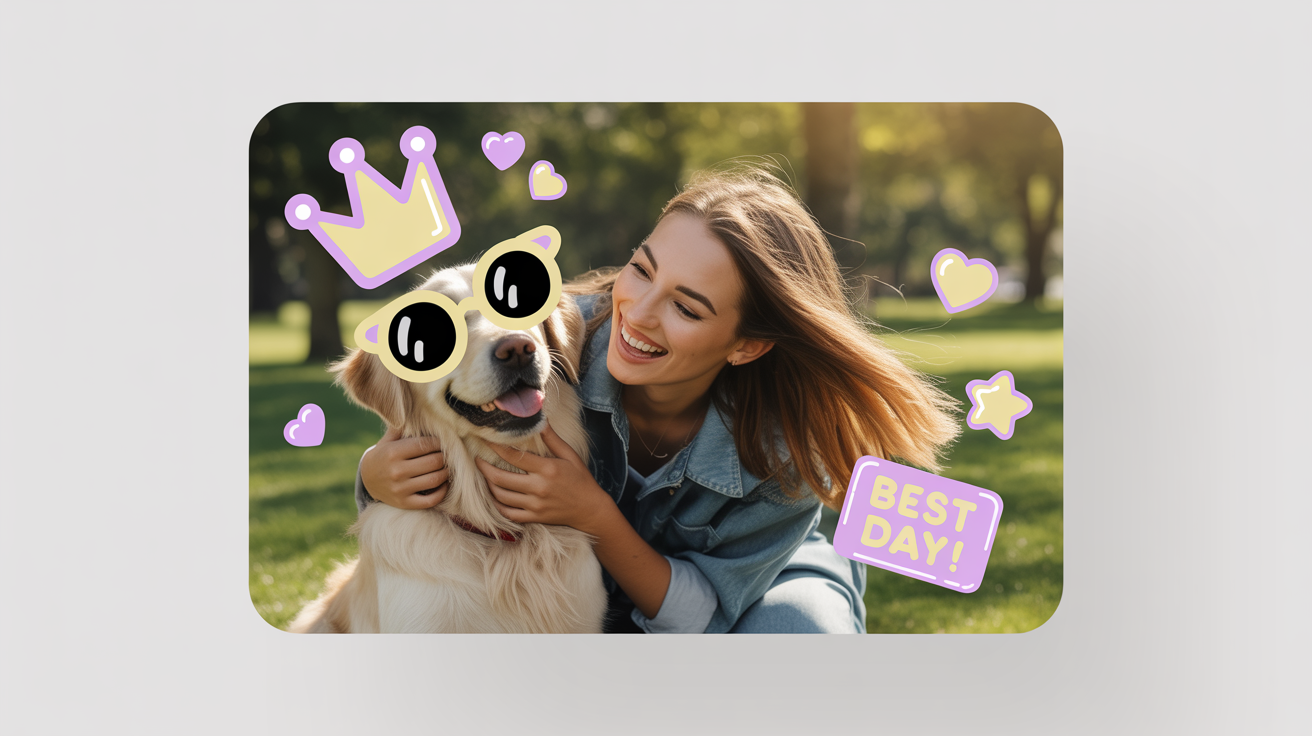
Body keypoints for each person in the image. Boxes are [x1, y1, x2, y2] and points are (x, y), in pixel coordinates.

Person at [357, 166, 959, 633]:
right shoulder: (564, 335)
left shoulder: (788, 456)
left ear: (747, 345)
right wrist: (373, 477)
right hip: (601, 589)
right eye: (642, 271)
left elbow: (705, 621)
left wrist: (594, 515)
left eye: (686, 307)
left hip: (742, 583)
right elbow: (434, 398)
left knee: (798, 635)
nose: (638, 315)